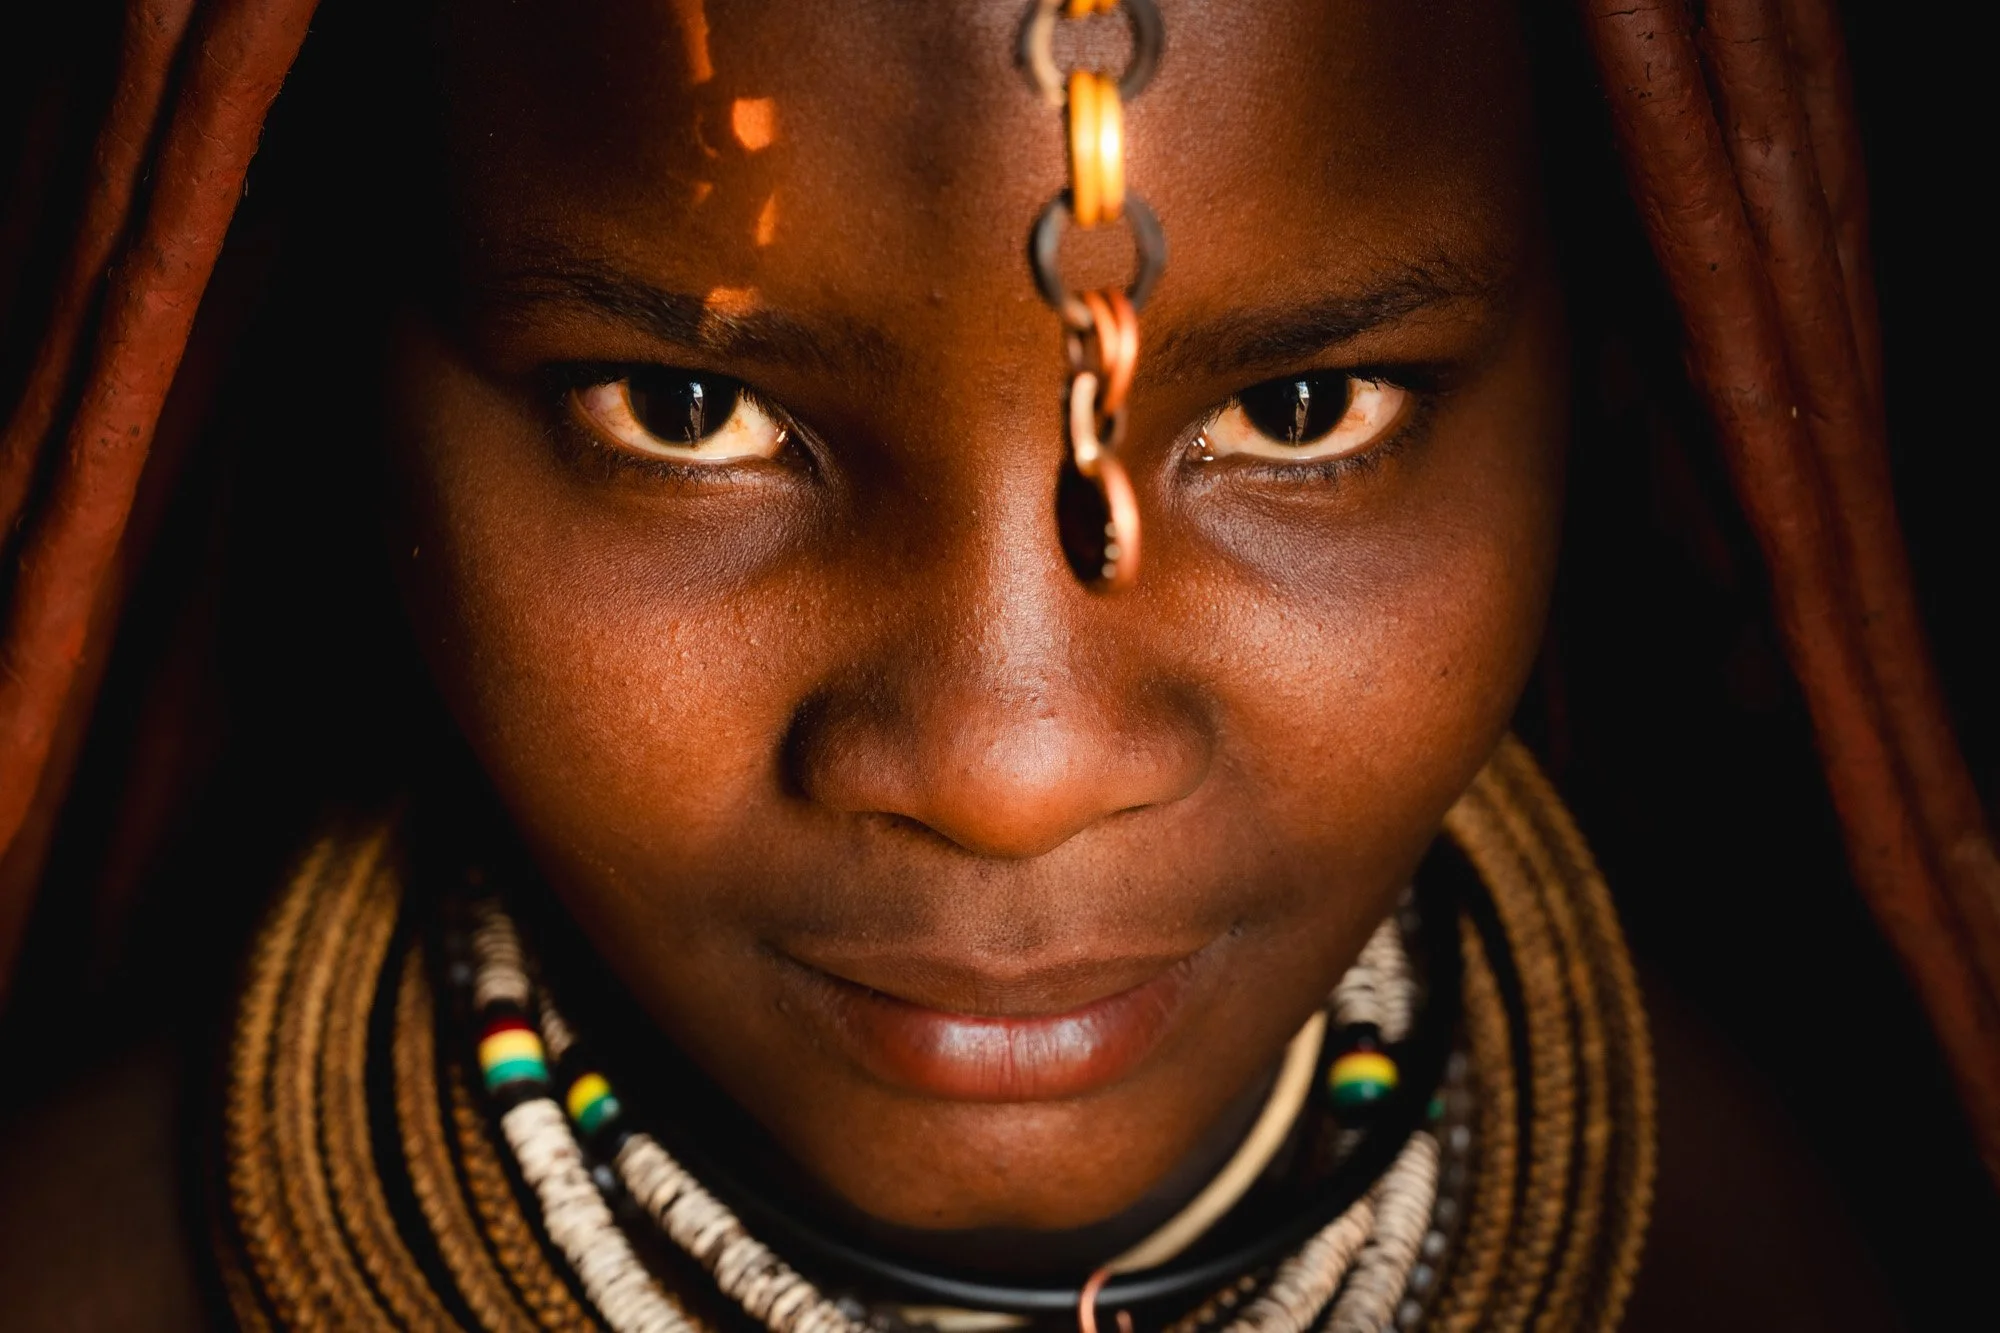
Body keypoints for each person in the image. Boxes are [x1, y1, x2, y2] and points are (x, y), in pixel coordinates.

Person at [0, 1, 1992, 1329]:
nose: (1007, 767)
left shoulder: (1791, 1255)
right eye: (684, 407)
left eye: (1302, 409)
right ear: (355, 368)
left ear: (1600, 368)